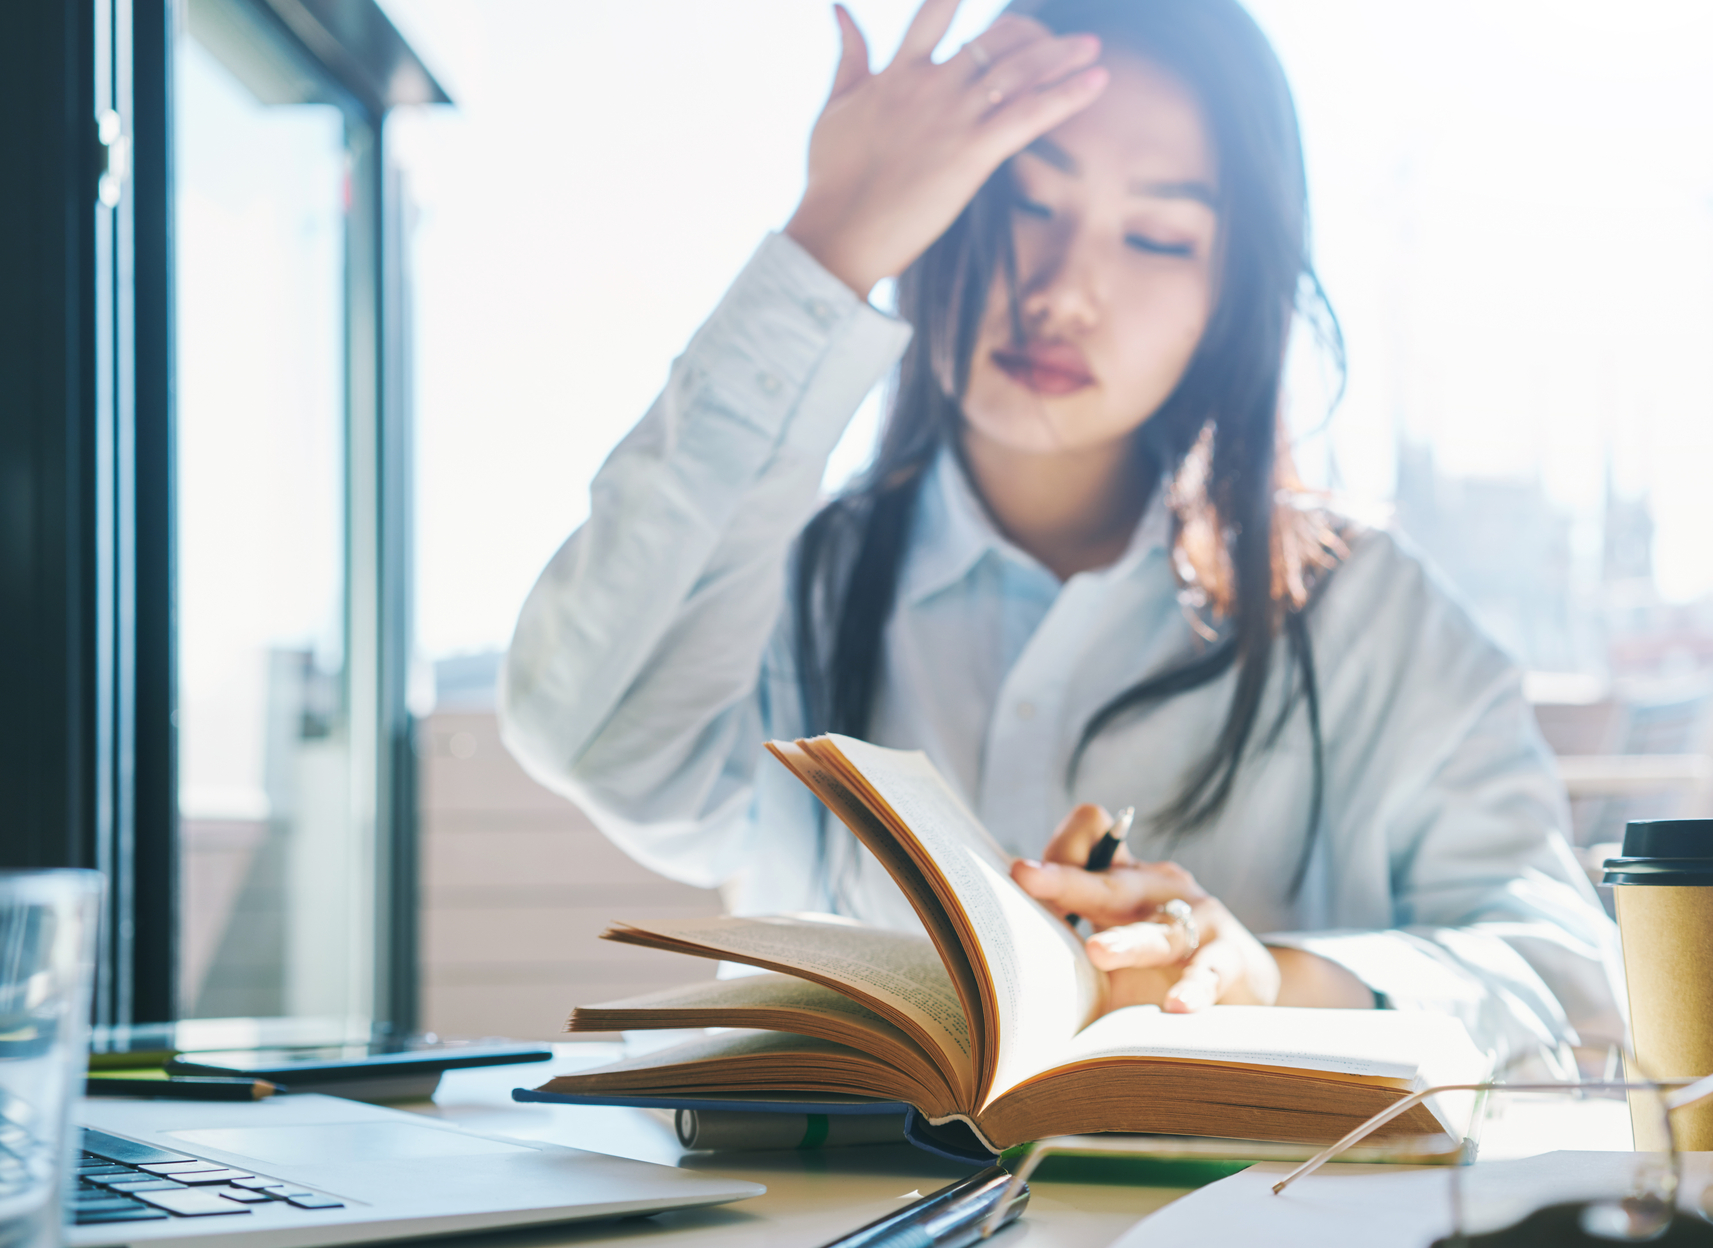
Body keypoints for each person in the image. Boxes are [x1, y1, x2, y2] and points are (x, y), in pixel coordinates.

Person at [501, 0, 1623, 1068]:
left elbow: (1564, 982)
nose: (1064, 291)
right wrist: (826, 246)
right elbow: (579, 724)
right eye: (1025, 202)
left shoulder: (1364, 611)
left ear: (1227, 298)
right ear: (937, 208)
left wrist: (1266, 982)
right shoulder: (799, 589)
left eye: (1156, 235)